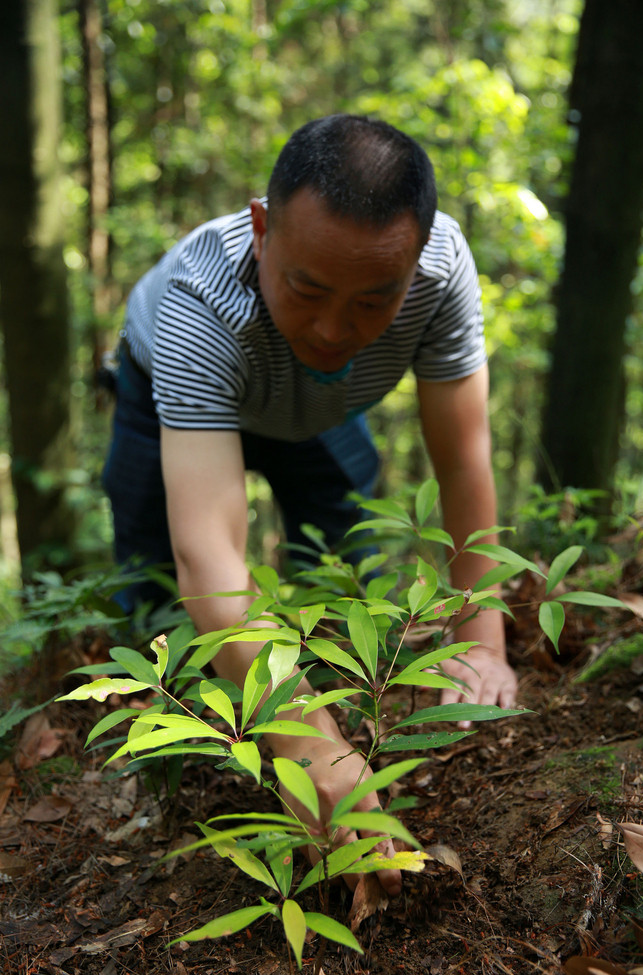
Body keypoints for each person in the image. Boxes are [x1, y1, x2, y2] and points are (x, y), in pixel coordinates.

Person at [103, 114, 517, 895]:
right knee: (153, 588)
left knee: (341, 569)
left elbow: (464, 461)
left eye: (373, 300)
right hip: (173, 389)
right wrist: (304, 740)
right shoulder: (200, 302)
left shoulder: (443, 272)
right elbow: (210, 555)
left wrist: (482, 637)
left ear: (417, 256)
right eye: (307, 287)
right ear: (262, 229)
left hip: (319, 409)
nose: (333, 327)